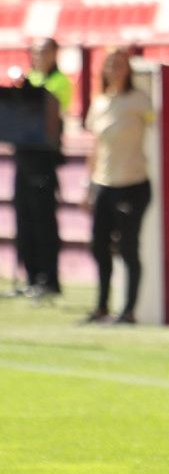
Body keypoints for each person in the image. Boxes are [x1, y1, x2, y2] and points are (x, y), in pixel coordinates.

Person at [82, 47, 153, 324]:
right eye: (111, 64)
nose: (115, 69)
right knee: (99, 246)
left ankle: (129, 309)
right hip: (104, 182)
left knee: (128, 247)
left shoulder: (139, 100)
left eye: (120, 64)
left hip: (132, 182)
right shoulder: (99, 102)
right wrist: (88, 186)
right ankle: (101, 305)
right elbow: (96, 147)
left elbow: (155, 123)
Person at [16, 37, 73, 299]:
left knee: (43, 220)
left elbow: (52, 108)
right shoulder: (30, 79)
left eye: (44, 51)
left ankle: (49, 278)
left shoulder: (59, 81)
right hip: (24, 157)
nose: (39, 56)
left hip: (43, 159)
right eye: (36, 52)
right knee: (25, 218)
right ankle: (30, 275)